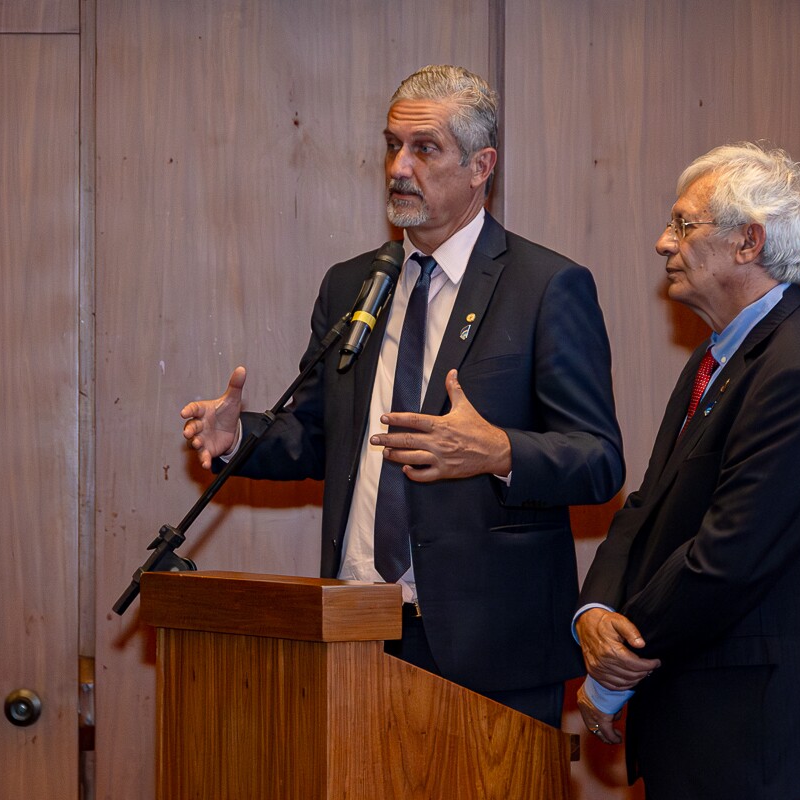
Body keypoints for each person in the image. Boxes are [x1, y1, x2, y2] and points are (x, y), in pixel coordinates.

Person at [181, 65, 624, 727]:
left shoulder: (546, 287)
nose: (399, 167)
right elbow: (318, 437)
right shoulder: (354, 285)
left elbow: (598, 460)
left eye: (425, 149)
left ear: (481, 166)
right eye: (392, 145)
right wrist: (239, 436)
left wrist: (498, 451)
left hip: (491, 649)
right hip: (357, 628)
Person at [574, 142, 800, 798]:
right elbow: (647, 507)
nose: (663, 242)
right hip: (714, 738)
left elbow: (727, 558)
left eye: (684, 225)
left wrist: (612, 670)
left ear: (748, 242)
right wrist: (594, 611)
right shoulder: (720, 356)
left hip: (767, 748)